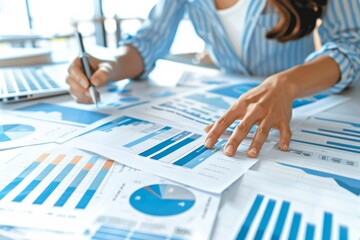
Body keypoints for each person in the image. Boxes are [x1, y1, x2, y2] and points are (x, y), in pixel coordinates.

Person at [66, 0, 360, 158]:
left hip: (307, 106)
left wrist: (287, 84)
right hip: (227, 103)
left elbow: (350, 45)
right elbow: (149, 42)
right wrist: (109, 66)